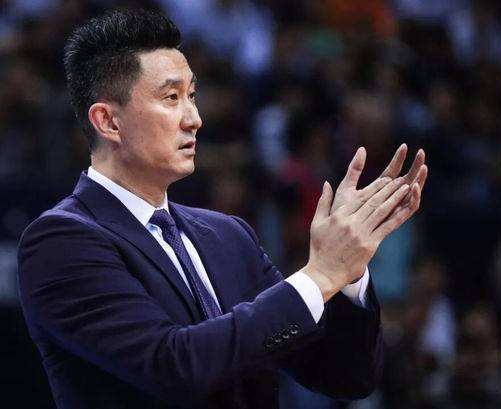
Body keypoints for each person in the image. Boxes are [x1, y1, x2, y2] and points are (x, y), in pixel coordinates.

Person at [17, 9, 427, 409]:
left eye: (192, 96)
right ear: (108, 122)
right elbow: (174, 367)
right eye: (171, 97)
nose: (194, 118)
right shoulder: (61, 241)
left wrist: (349, 271)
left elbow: (346, 378)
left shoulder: (229, 236)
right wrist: (320, 275)